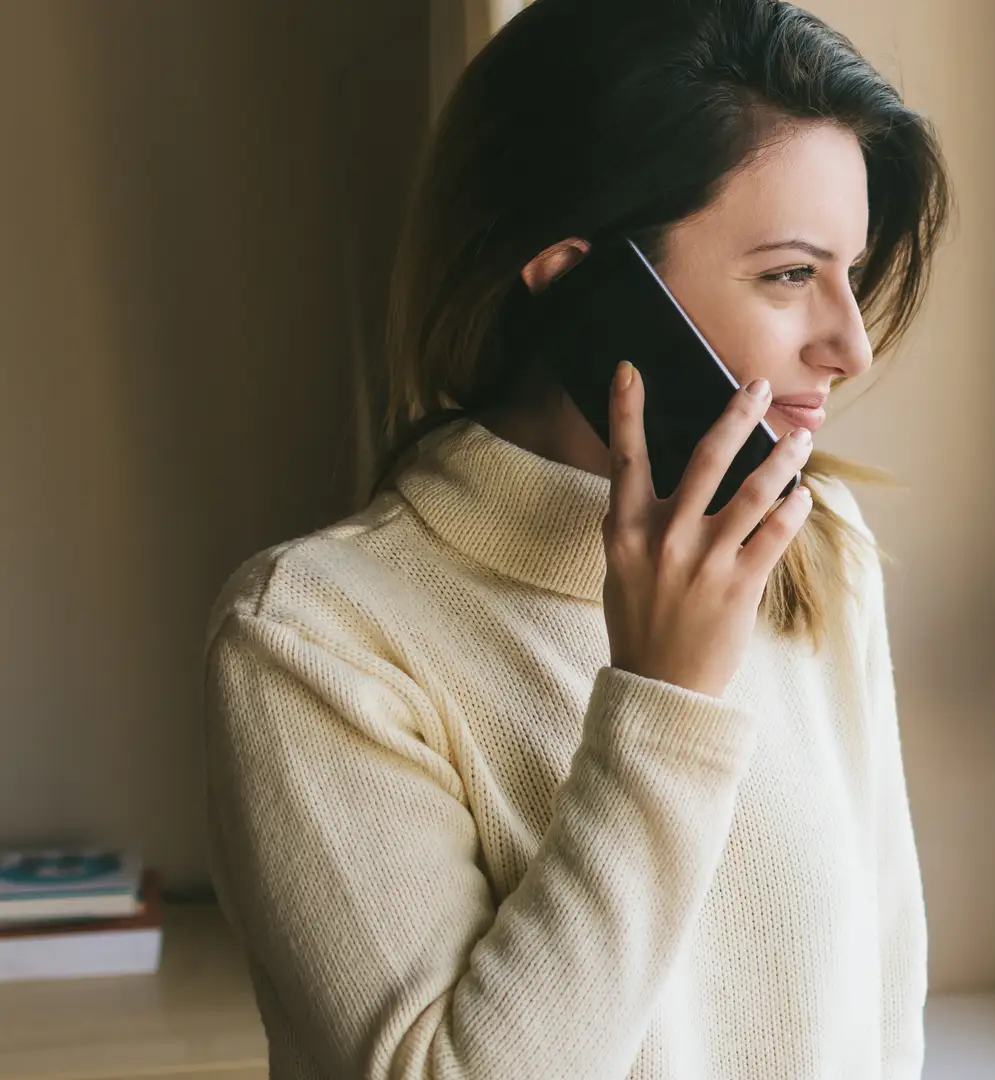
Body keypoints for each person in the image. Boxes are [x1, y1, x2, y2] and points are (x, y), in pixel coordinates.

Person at [201, 0, 949, 1076]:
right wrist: (665, 703)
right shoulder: (311, 642)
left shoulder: (811, 540)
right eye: (791, 275)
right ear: (581, 285)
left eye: (850, 270)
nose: (853, 345)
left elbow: (882, 1000)